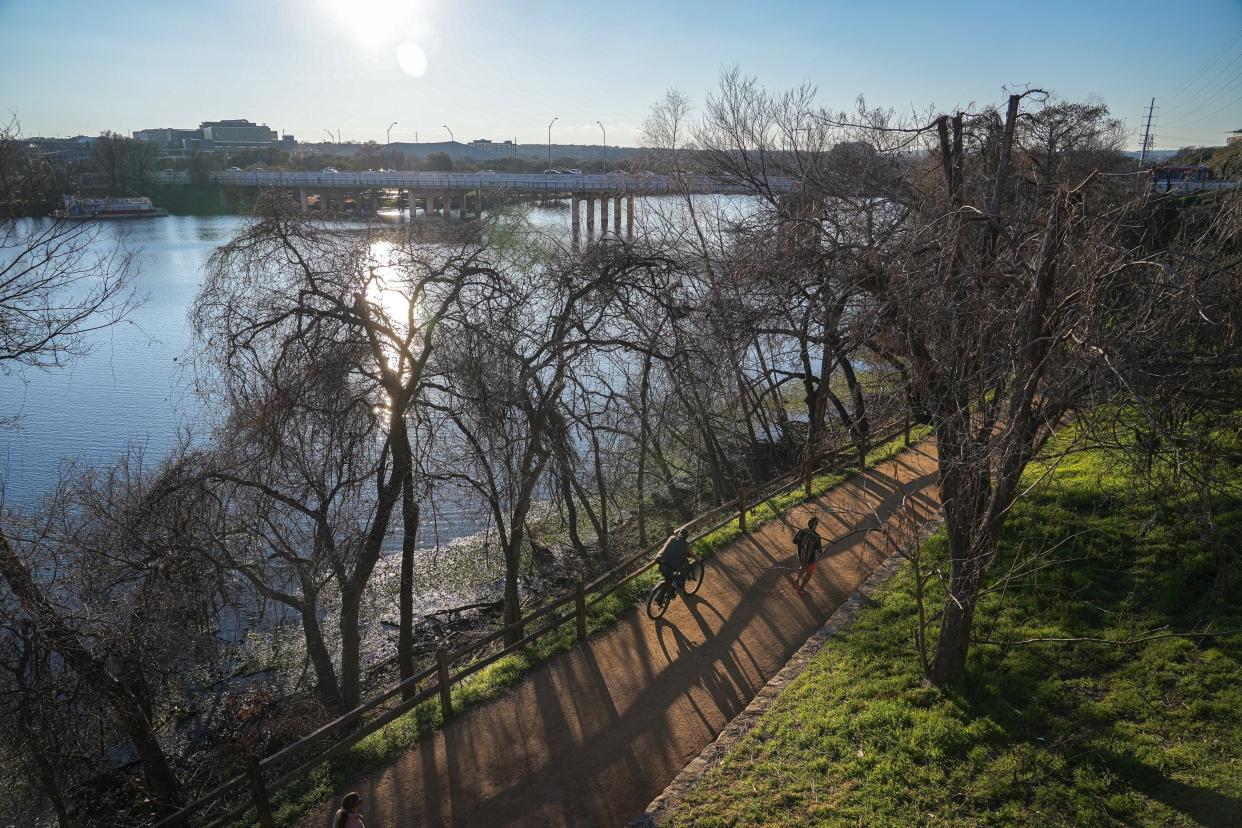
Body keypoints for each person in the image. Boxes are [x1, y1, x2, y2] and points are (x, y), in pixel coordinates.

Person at [792, 516, 823, 593]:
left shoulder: (802, 531)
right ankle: (801, 588)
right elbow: (819, 550)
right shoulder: (817, 536)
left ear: (809, 524)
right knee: (809, 573)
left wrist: (802, 543)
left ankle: (796, 580)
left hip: (801, 556)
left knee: (803, 566)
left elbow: (794, 541)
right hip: (810, 559)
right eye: (817, 524)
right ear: (815, 525)